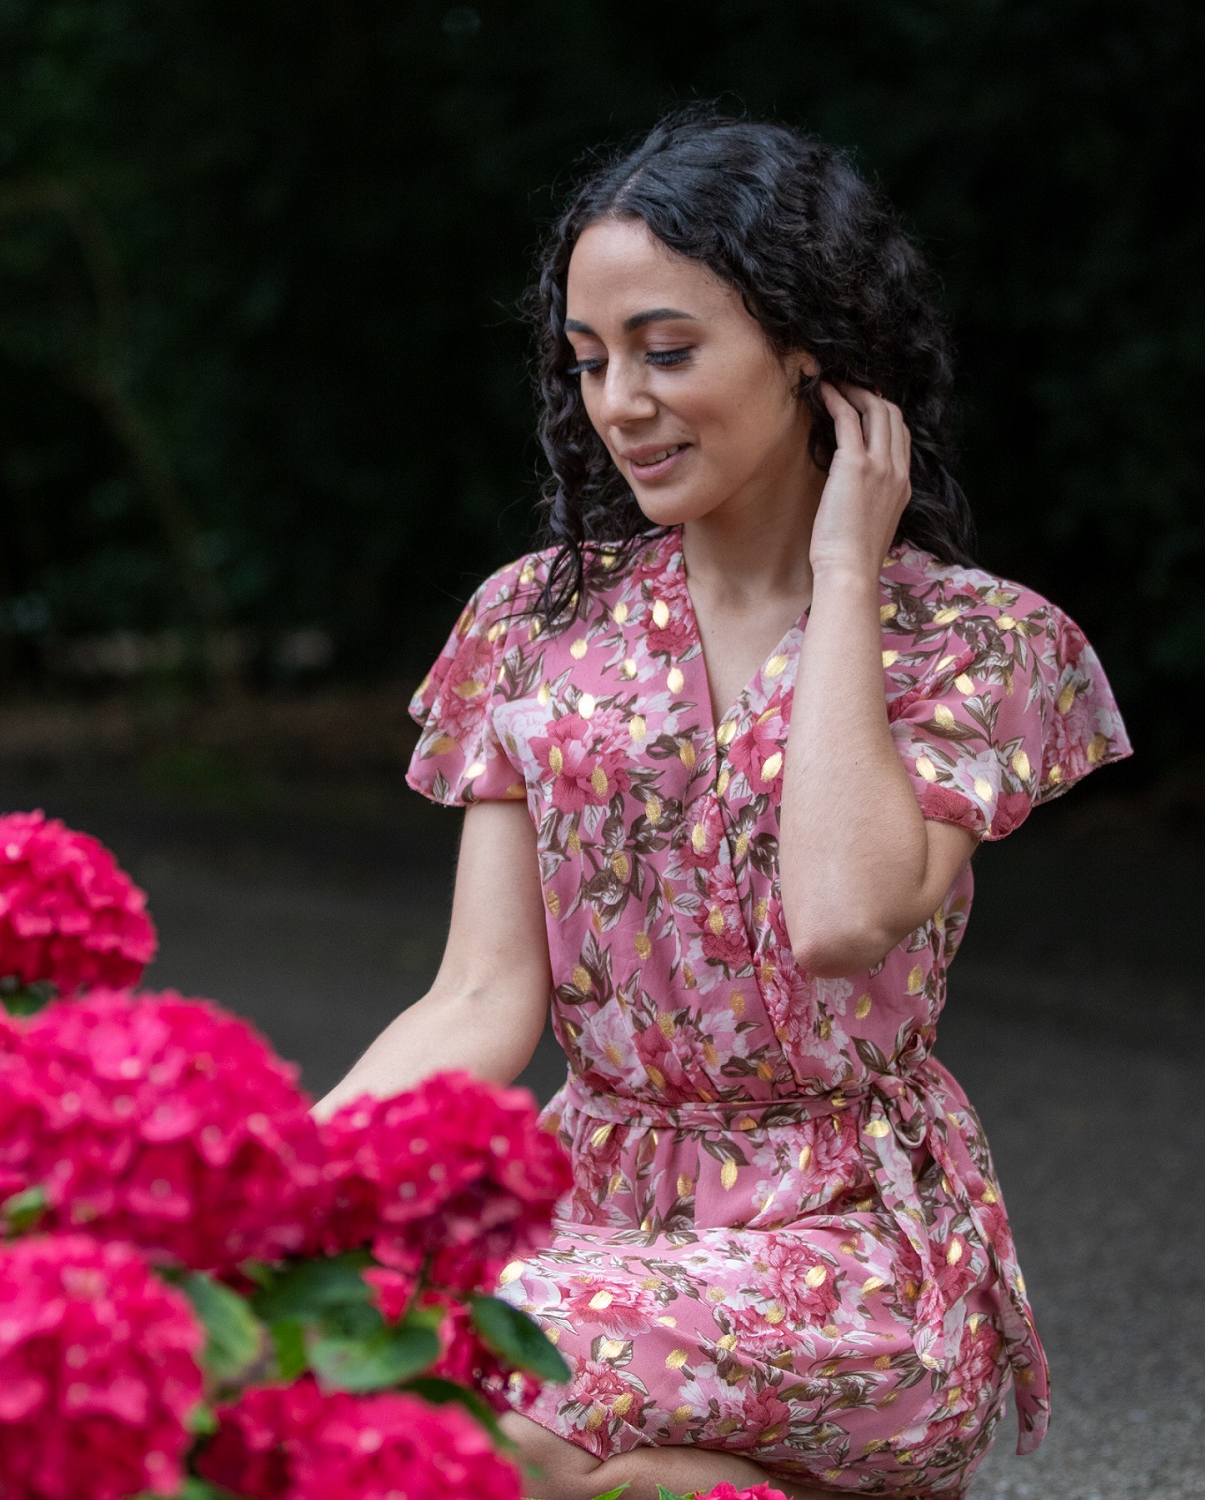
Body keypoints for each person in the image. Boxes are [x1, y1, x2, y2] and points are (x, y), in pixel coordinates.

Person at [316, 112, 1130, 1500]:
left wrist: (847, 576)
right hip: (589, 1210)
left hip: (850, 1245)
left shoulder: (973, 644)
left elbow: (841, 911)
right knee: (344, 1366)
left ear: (809, 353)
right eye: (588, 362)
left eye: (667, 349)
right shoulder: (535, 619)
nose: (619, 401)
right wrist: (272, 1187)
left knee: (501, 1401)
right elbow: (479, 998)